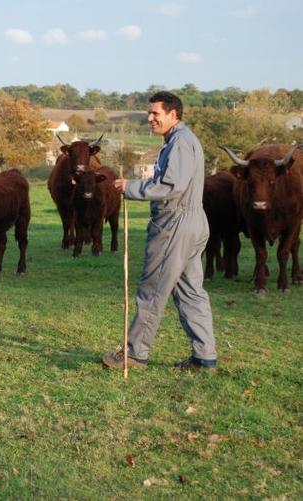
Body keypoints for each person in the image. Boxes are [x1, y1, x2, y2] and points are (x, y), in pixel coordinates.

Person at [102, 91, 217, 372]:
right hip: (192, 223)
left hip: (175, 225)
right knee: (190, 291)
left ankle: (135, 354)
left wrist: (131, 188)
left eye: (156, 113)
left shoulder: (180, 142)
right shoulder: (181, 140)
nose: (150, 118)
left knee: (153, 290)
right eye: (149, 113)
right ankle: (205, 358)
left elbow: (170, 186)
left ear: (173, 115)